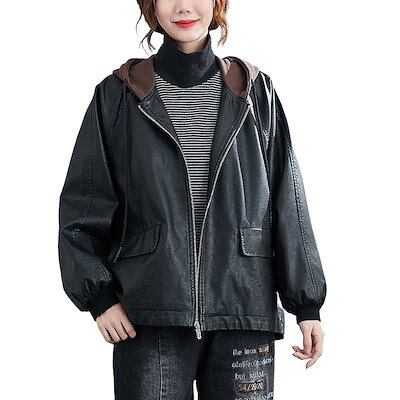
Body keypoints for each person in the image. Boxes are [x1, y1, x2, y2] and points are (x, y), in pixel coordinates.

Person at [58, 0, 327, 398]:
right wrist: (98, 296)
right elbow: (84, 205)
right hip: (150, 314)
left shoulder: (257, 92)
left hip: (243, 308)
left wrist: (306, 304)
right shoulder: (116, 95)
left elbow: (288, 201)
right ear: (151, 6)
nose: (184, 6)